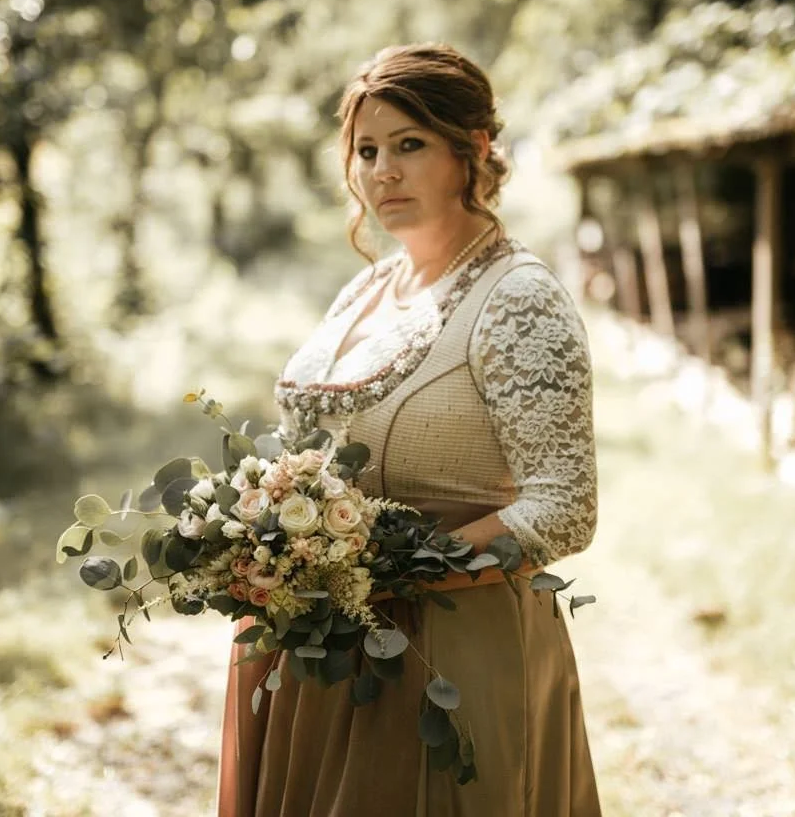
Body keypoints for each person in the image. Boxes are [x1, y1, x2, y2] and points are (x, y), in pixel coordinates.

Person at [217, 43, 602, 816]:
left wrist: (382, 576)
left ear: (475, 149)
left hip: (446, 657)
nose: (381, 172)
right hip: (325, 649)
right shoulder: (367, 287)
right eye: (365, 150)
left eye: (408, 145)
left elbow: (563, 506)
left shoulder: (518, 298)